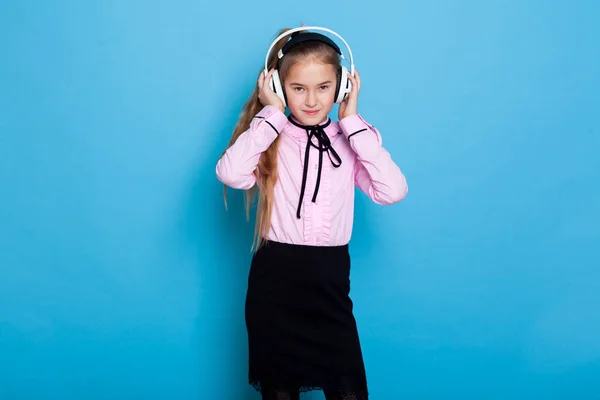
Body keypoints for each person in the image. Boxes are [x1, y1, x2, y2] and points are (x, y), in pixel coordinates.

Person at [215, 26, 408, 400]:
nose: (311, 100)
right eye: (298, 88)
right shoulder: (270, 134)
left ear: (343, 88)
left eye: (323, 87)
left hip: (331, 282)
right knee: (281, 391)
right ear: (277, 85)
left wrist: (351, 121)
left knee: (348, 390)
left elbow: (393, 190)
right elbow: (230, 174)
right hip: (275, 282)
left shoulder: (352, 139)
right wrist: (271, 114)